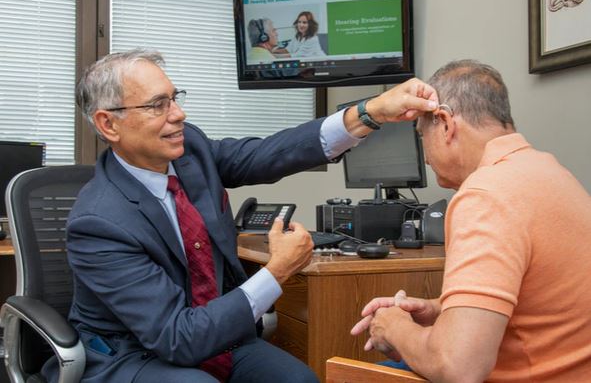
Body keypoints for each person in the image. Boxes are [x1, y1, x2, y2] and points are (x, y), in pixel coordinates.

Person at [41, 48, 438, 383]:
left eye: (175, 97)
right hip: (132, 353)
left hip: (217, 334)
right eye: (157, 106)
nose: (177, 114)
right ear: (108, 124)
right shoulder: (98, 222)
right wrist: (276, 271)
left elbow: (269, 154)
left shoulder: (189, 148)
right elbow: (177, 338)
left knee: (301, 379)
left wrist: (370, 112)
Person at [351, 59, 591, 382]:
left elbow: (459, 368)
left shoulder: (485, 194)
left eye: (423, 135)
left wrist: (394, 328)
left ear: (446, 124)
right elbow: (536, 307)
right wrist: (440, 309)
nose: (425, 154)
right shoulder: (554, 174)